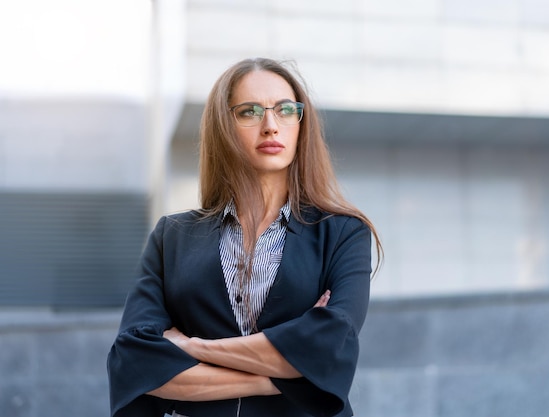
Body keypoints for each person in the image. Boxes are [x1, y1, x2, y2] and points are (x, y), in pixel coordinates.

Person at [107, 57, 383, 417]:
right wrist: (289, 375)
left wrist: (191, 346)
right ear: (224, 126)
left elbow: (332, 345)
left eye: (285, 110)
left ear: (301, 124)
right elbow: (133, 361)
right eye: (249, 112)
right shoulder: (172, 237)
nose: (270, 126)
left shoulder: (344, 232)